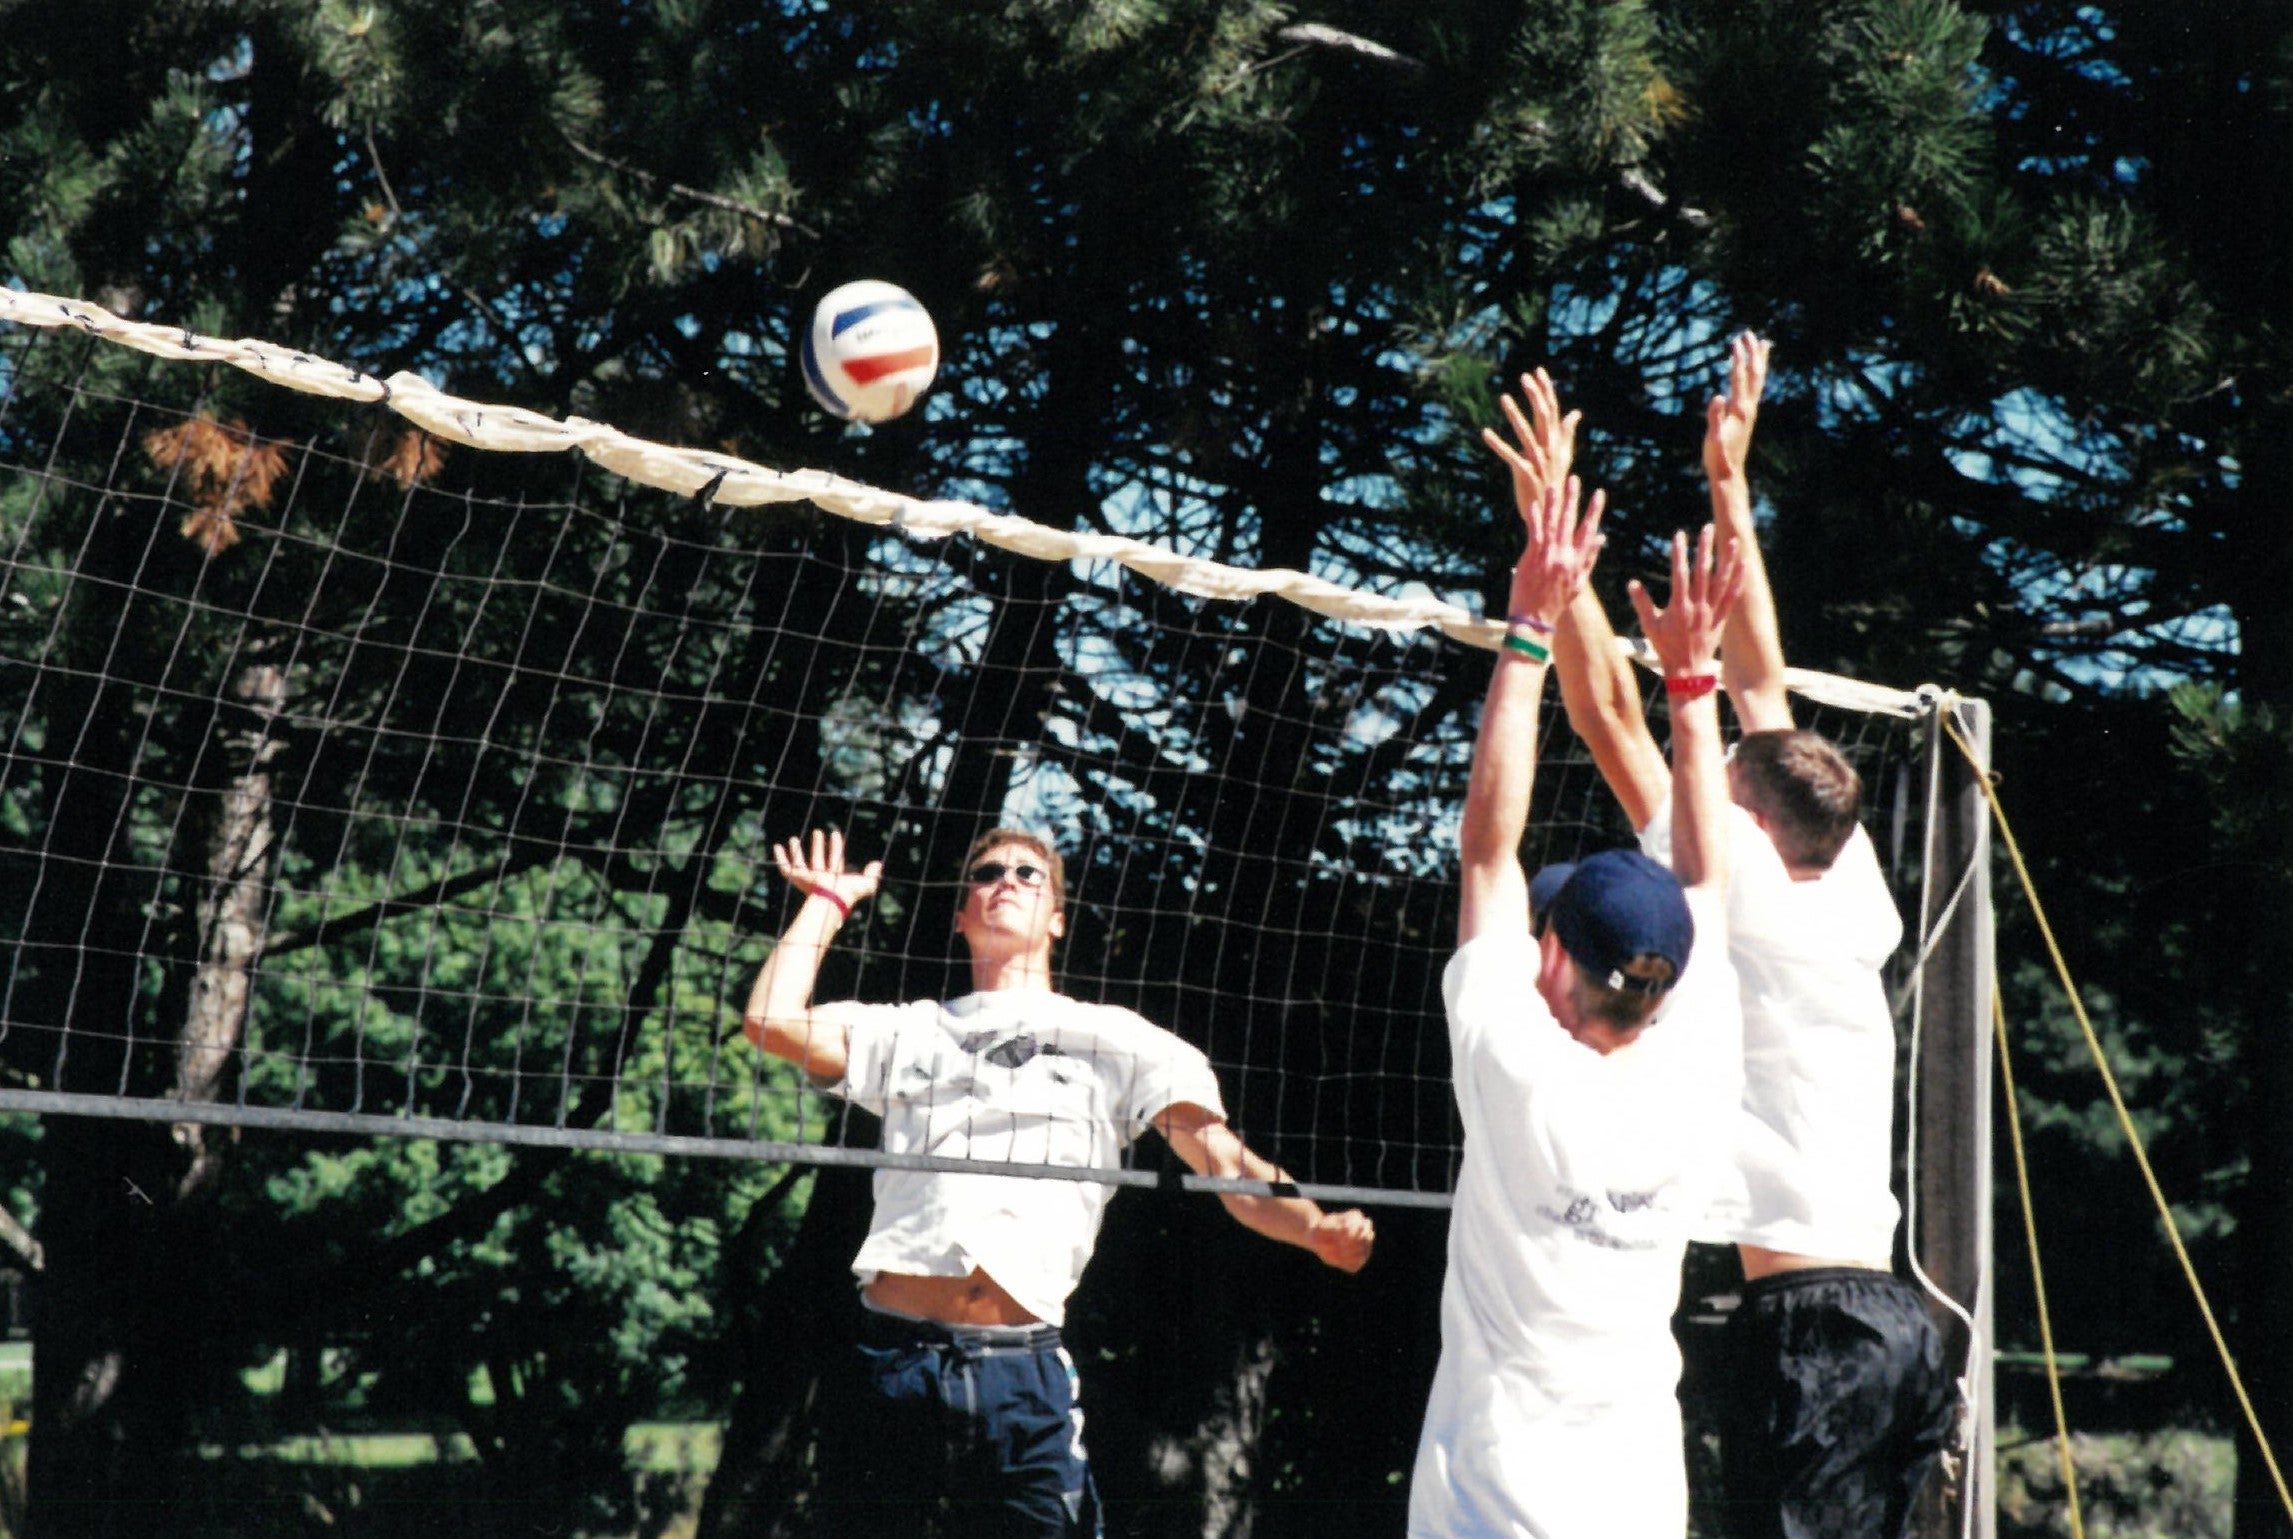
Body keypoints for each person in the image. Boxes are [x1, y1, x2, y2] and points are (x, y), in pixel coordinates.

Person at [1506, 340, 1953, 1539]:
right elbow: (1759, 678)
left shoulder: (1735, 879)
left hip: (1816, 1332)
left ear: (1745, 812)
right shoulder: (1850, 878)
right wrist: (1728, 484)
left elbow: (1604, 705)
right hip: (1896, 1323)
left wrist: (1554, 538)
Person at [742, 826, 1376, 1538]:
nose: (1006, 880)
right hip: (894, 1359)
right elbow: (769, 1020)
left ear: (1056, 918)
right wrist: (828, 901)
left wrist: (1314, 1225)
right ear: (960, 914)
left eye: (1027, 873)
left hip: (1023, 1372)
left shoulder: (1120, 1039)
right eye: (986, 872)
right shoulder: (908, 1030)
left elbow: (1226, 1165)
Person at [1407, 469, 1746, 1539]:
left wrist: (1528, 629)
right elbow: (1704, 874)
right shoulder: (1698, 1061)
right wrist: (1692, 692)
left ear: (1549, 953)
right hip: (1637, 1504)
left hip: (1493, 1508)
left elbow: (1487, 849)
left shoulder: (1519, 1068)